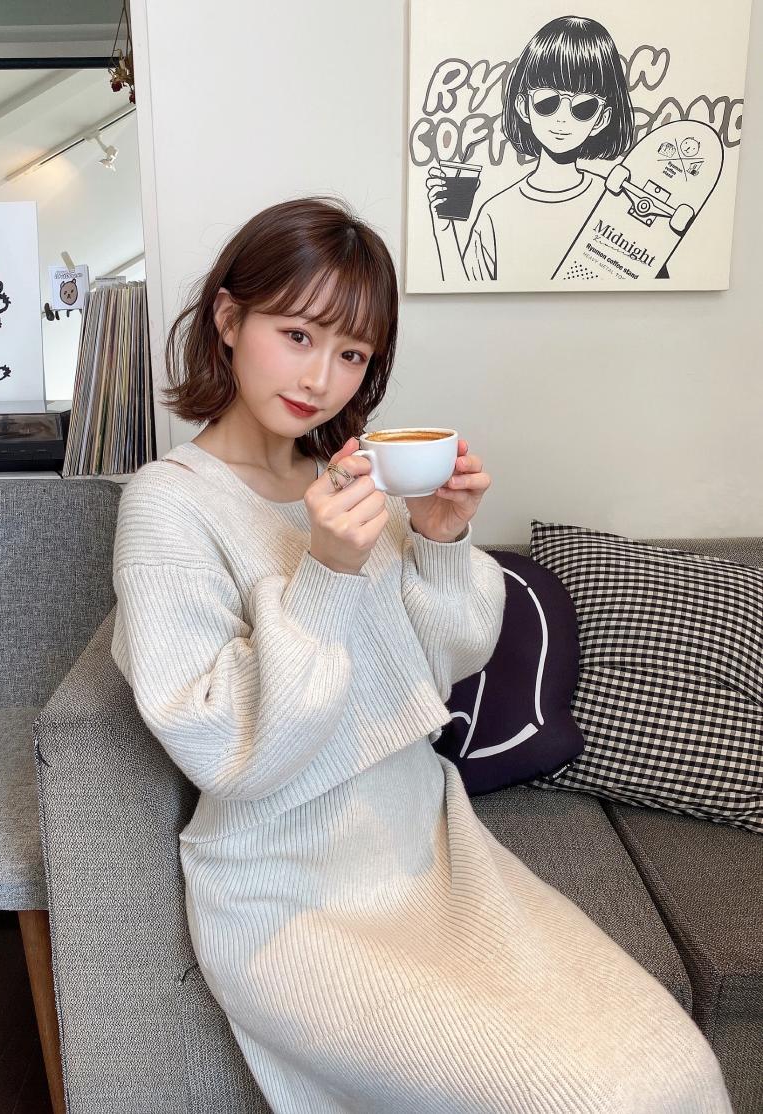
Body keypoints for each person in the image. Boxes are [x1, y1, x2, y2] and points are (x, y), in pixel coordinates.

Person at [110, 196, 732, 1112]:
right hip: (289, 897)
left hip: (429, 847)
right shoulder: (167, 505)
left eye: (352, 354)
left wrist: (440, 539)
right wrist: (325, 571)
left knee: (676, 1068)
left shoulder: (347, 480)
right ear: (230, 319)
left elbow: (450, 660)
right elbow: (224, 748)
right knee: (586, 1096)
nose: (321, 378)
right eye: (298, 334)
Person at [427, 16, 634, 284]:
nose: (562, 119)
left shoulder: (614, 203)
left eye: (583, 107)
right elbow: (466, 294)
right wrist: (444, 230)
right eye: (547, 102)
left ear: (602, 119)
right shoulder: (497, 213)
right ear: (523, 107)